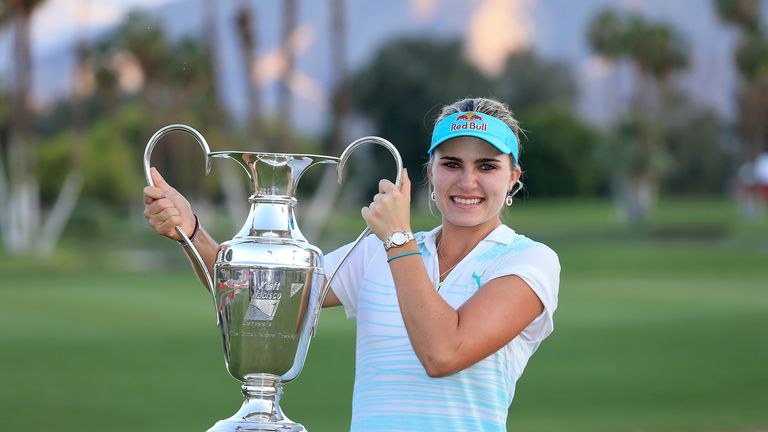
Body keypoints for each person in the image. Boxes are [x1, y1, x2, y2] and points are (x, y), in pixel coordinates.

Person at [144, 97, 560, 431]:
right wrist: (191, 231)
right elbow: (256, 298)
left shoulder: (528, 261)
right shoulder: (378, 250)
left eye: (487, 166)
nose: (467, 182)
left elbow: (443, 352)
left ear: (513, 178)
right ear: (429, 172)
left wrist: (397, 239)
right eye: (451, 164)